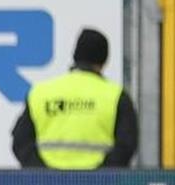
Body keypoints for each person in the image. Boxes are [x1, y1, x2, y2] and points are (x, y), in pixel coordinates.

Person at [10, 27, 138, 169]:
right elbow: (127, 145)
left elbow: (20, 141)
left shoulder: (41, 93)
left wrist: (42, 172)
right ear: (104, 61)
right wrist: (102, 176)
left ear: (75, 56)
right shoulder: (115, 96)